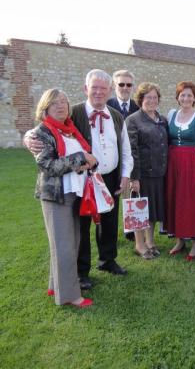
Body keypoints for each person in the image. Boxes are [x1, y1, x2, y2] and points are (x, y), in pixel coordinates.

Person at [25, 69, 133, 290]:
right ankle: (82, 271)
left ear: (110, 91)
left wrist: (125, 175)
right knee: (83, 224)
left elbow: (126, 148)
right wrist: (28, 137)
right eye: (94, 88)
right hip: (84, 178)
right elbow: (46, 125)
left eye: (104, 89)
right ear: (86, 89)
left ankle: (108, 260)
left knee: (110, 221)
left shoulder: (116, 115)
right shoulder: (72, 112)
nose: (99, 92)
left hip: (111, 175)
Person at [33, 89, 97, 307]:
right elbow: (48, 166)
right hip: (56, 196)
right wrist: (80, 157)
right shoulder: (41, 132)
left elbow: (74, 160)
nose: (61, 106)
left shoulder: (70, 129)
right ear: (46, 108)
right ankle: (70, 296)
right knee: (64, 245)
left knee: (71, 242)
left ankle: (55, 285)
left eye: (64, 102)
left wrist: (87, 161)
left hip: (75, 193)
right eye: (55, 104)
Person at [165, 81, 195, 260]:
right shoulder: (171, 115)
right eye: (182, 95)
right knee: (175, 199)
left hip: (193, 163)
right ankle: (180, 239)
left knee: (192, 201)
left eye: (189, 95)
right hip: (174, 163)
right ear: (177, 97)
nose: (186, 98)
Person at [126, 82, 168, 259]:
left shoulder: (162, 119)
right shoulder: (133, 120)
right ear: (140, 99)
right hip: (142, 175)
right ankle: (139, 244)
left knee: (153, 211)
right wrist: (134, 178)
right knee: (138, 211)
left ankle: (150, 242)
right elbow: (131, 150)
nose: (152, 100)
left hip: (159, 173)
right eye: (148, 97)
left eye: (155, 97)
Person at [107, 69, 139, 241]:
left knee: (130, 195)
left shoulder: (137, 107)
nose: (125, 88)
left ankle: (131, 231)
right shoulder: (106, 106)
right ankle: (108, 234)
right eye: (121, 84)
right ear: (114, 86)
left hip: (130, 159)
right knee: (110, 199)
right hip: (110, 160)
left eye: (129, 84)